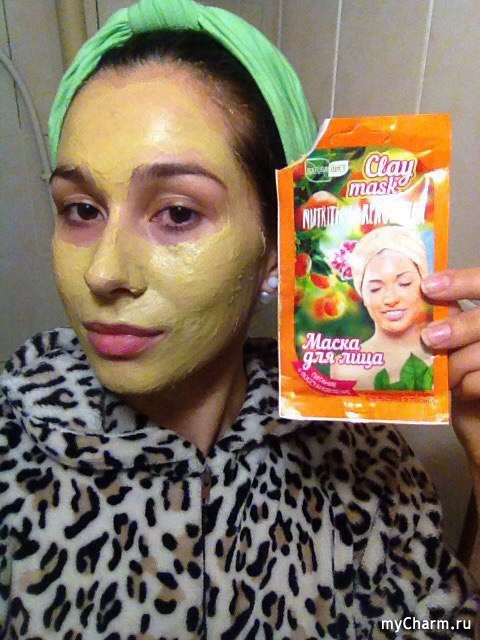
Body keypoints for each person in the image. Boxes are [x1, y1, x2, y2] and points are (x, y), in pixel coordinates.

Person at [1, 0, 480, 638]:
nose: (103, 273)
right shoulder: (14, 456)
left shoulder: (363, 455)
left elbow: (440, 628)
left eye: (176, 213)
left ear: (277, 248)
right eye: (81, 209)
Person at [331, 225, 434, 390]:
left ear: (423, 283)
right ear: (363, 294)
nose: (391, 299)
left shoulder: (442, 355)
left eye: (404, 283)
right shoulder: (346, 369)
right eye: (375, 289)